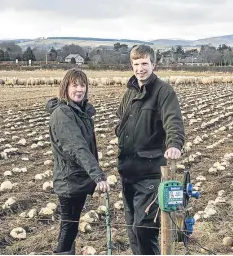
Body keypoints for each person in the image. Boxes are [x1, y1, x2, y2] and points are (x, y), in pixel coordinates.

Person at [115, 45, 185, 255]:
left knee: (144, 229)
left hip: (150, 171)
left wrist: (174, 144)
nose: (140, 68)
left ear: (153, 64)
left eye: (144, 63)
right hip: (128, 172)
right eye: (136, 64)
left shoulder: (163, 92)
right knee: (133, 231)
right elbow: (121, 119)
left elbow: (173, 121)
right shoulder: (130, 92)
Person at [46, 68, 110, 254]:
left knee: (71, 225)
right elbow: (77, 147)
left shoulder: (80, 112)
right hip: (69, 180)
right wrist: (98, 176)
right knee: (69, 226)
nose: (79, 89)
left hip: (78, 179)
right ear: (65, 87)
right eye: (75, 85)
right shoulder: (62, 114)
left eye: (83, 85)